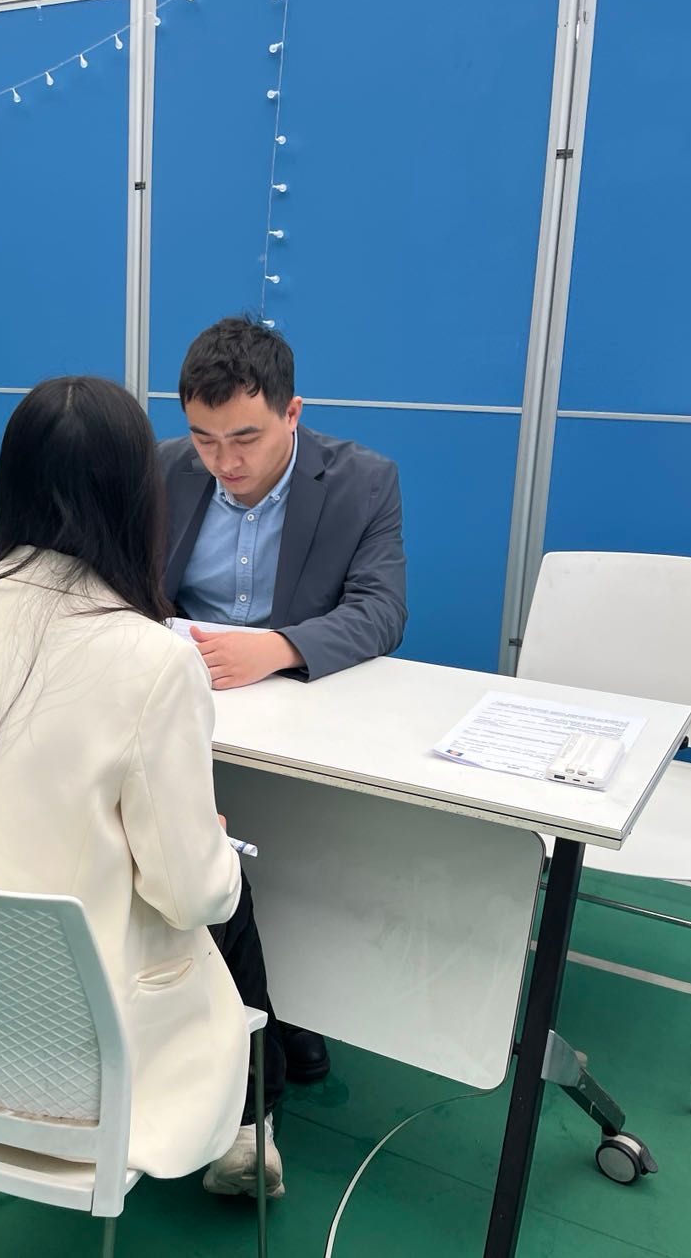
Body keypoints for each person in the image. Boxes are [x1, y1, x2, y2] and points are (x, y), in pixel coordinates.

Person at [0, 376, 282, 1199]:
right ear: (139, 497)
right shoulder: (155, 661)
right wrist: (204, 844)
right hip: (74, 1069)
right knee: (226, 885)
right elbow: (192, 895)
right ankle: (251, 1130)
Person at [161, 316, 408, 1091]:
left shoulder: (363, 481)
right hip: (180, 703)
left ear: (292, 413)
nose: (225, 462)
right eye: (205, 439)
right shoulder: (165, 470)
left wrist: (276, 648)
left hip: (297, 711)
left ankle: (286, 1005)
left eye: (246, 438)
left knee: (289, 853)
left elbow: (381, 610)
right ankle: (206, 996)